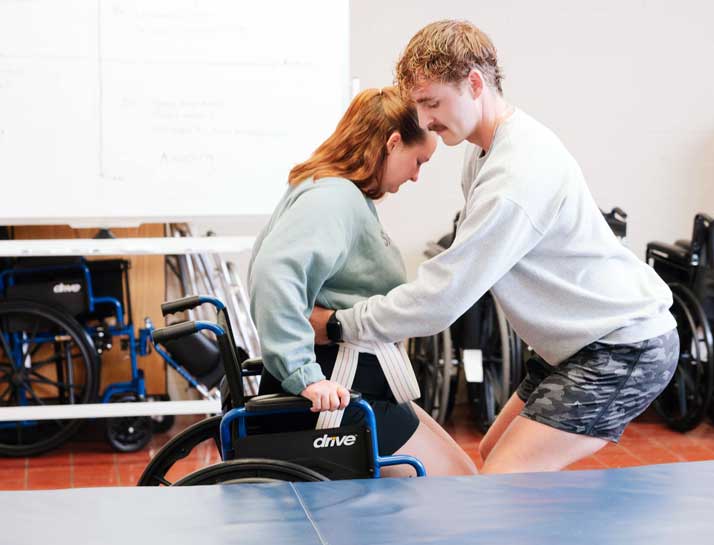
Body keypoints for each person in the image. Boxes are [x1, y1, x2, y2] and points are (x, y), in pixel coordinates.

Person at [310, 21, 679, 474]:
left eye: (431, 103)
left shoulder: (516, 173)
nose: (423, 121)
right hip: (573, 346)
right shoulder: (485, 150)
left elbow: (443, 297)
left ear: (474, 84)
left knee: (500, 484)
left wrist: (339, 325)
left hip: (621, 347)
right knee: (493, 456)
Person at [248, 86, 478, 477]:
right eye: (418, 161)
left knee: (463, 471)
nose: (416, 176)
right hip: (334, 390)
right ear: (393, 143)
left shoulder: (339, 193)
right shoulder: (332, 198)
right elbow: (274, 273)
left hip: (355, 381)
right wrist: (304, 376)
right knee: (456, 481)